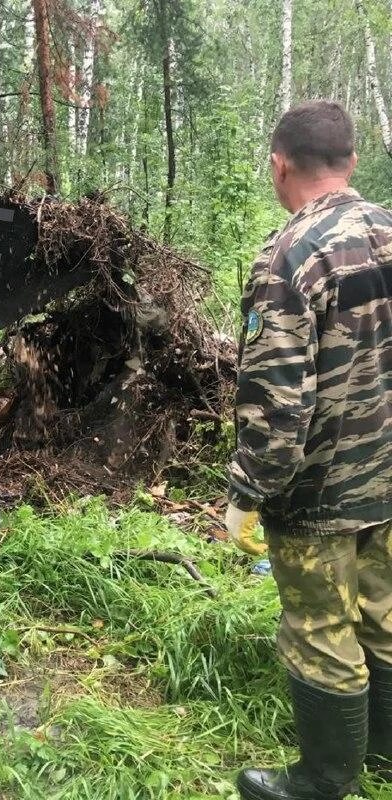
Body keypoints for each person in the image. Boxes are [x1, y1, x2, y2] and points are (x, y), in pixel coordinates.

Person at [225, 100, 392, 800]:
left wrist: (246, 493)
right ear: (351, 160)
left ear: (279, 164)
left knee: (321, 629)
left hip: (321, 491)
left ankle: (321, 780)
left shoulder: (290, 256)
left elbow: (275, 403)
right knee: (384, 614)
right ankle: (383, 750)